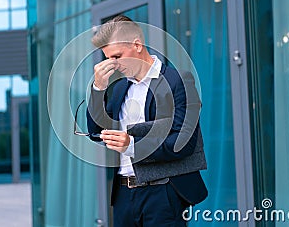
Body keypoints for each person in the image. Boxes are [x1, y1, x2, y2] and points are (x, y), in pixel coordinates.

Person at [86, 15, 207, 227]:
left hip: (163, 193)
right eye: (108, 59)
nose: (112, 64)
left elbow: (183, 143)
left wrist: (132, 146)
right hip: (124, 194)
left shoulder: (178, 81)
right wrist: (98, 89)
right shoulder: (119, 88)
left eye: (117, 56)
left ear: (137, 44)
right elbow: (96, 131)